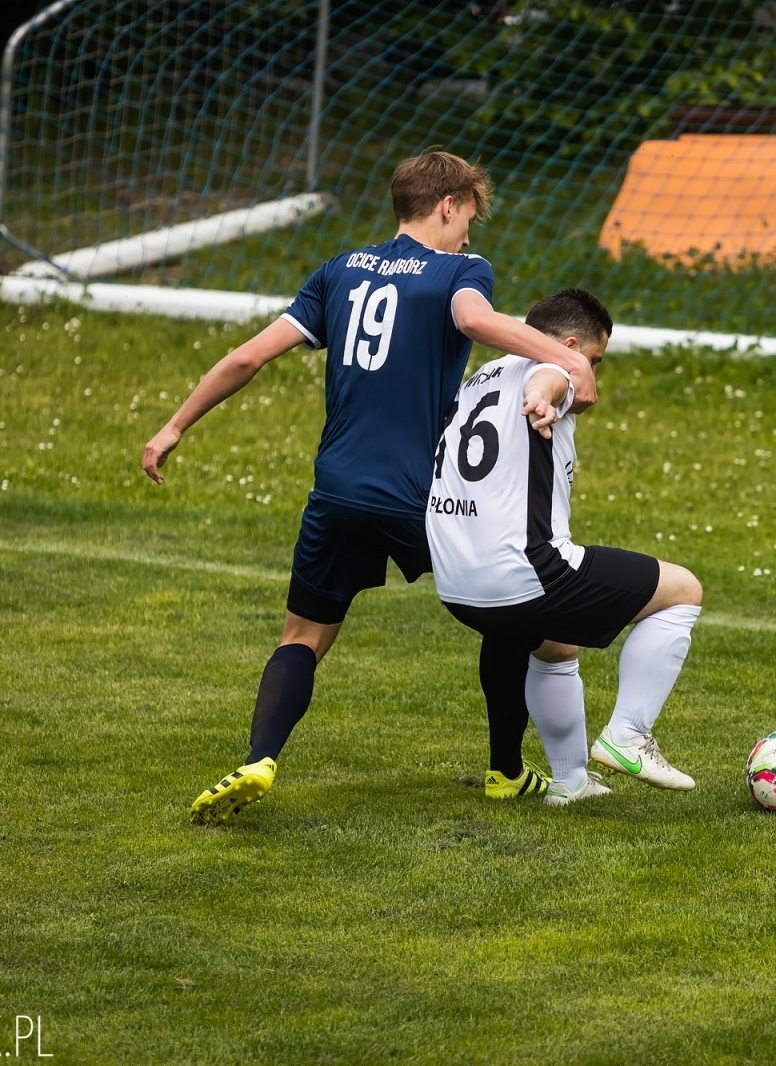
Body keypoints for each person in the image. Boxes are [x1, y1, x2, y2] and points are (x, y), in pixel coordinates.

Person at [141, 149, 598, 825]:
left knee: (302, 637)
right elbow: (473, 321)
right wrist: (562, 353)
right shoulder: (461, 271)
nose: (469, 234)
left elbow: (247, 357)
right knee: (508, 613)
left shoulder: (339, 271)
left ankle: (260, 758)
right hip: (422, 495)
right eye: (467, 217)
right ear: (447, 206)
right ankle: (506, 772)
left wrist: (175, 425)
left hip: (337, 491)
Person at [426, 288, 703, 806]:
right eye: (595, 358)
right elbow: (552, 377)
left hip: (457, 583)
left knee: (555, 645)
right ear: (571, 344)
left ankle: (570, 781)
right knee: (683, 590)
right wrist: (552, 385)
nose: (593, 371)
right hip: (526, 571)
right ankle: (628, 736)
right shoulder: (554, 369)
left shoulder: (481, 378)